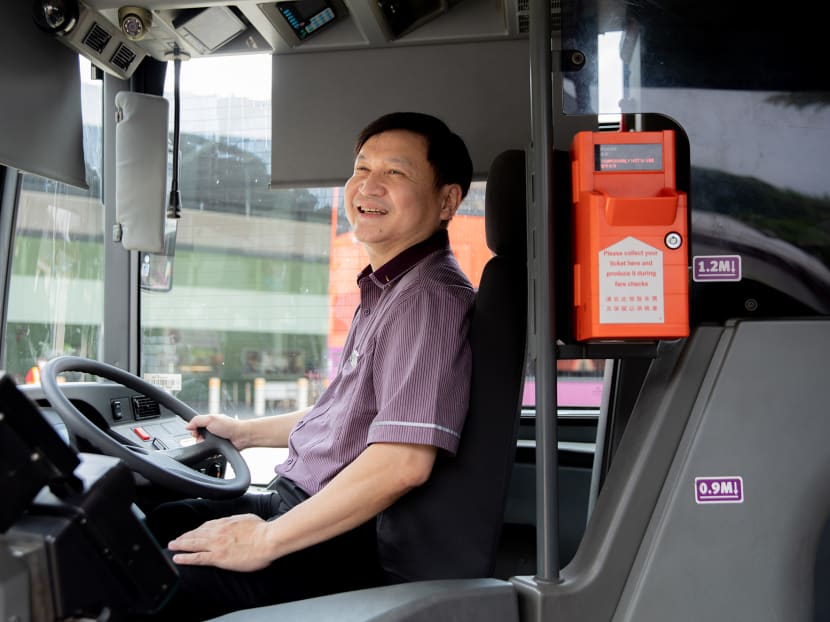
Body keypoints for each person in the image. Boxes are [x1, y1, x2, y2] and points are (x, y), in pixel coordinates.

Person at [144, 111, 476, 621]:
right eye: (362, 168)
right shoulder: (391, 286)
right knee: (152, 524)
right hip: (300, 504)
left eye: (396, 173)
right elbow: (347, 418)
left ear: (447, 201)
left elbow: (403, 462)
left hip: (336, 536)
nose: (369, 186)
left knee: (147, 572)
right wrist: (244, 433)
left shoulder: (427, 299)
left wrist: (266, 540)